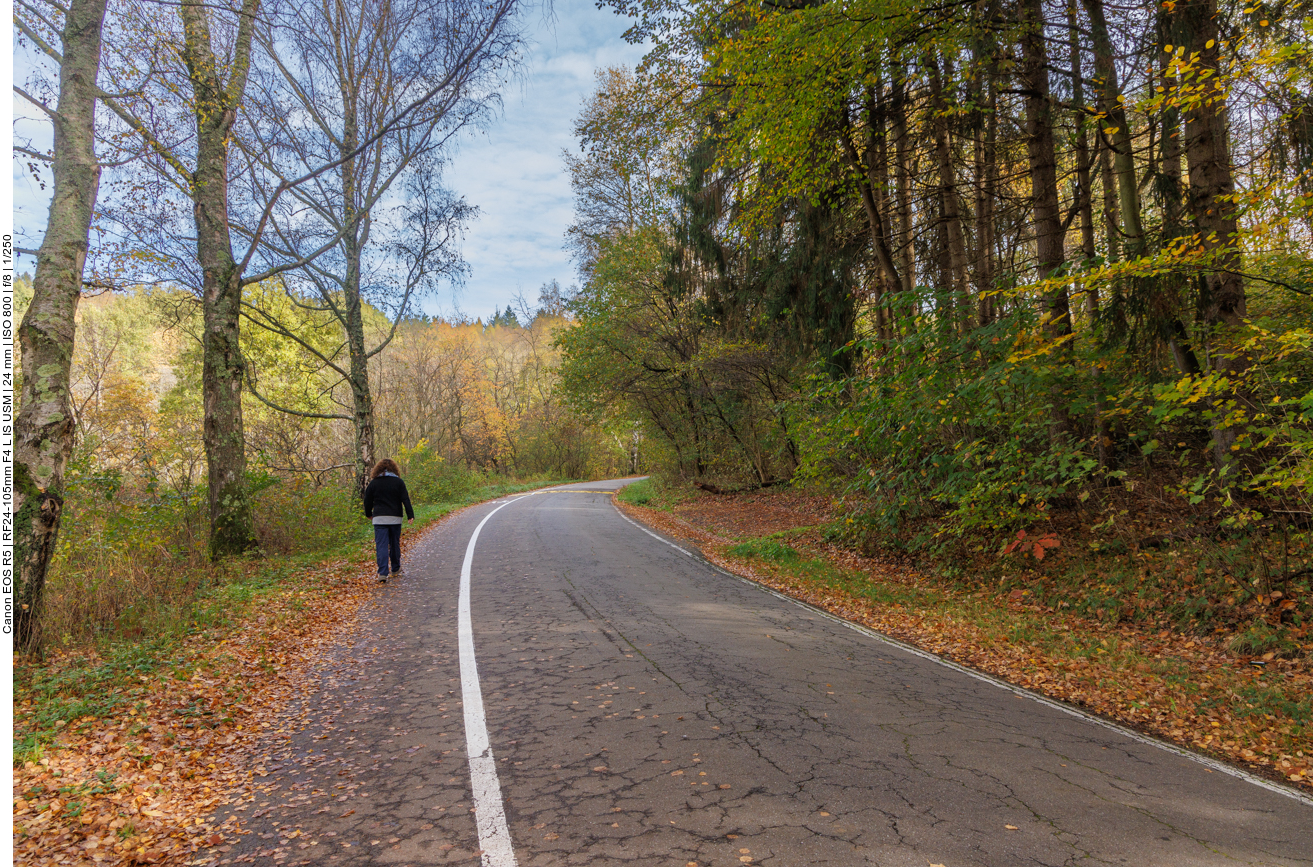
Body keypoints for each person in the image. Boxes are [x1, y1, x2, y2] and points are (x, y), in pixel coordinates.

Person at [362, 458, 415, 582]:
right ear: (394, 469)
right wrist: (410, 515)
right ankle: (395, 568)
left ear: (378, 469)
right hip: (395, 518)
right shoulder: (398, 482)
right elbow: (405, 499)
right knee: (394, 544)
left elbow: (367, 500)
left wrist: (368, 514)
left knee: (381, 545)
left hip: (379, 518)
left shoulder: (374, 483)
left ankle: (383, 573)